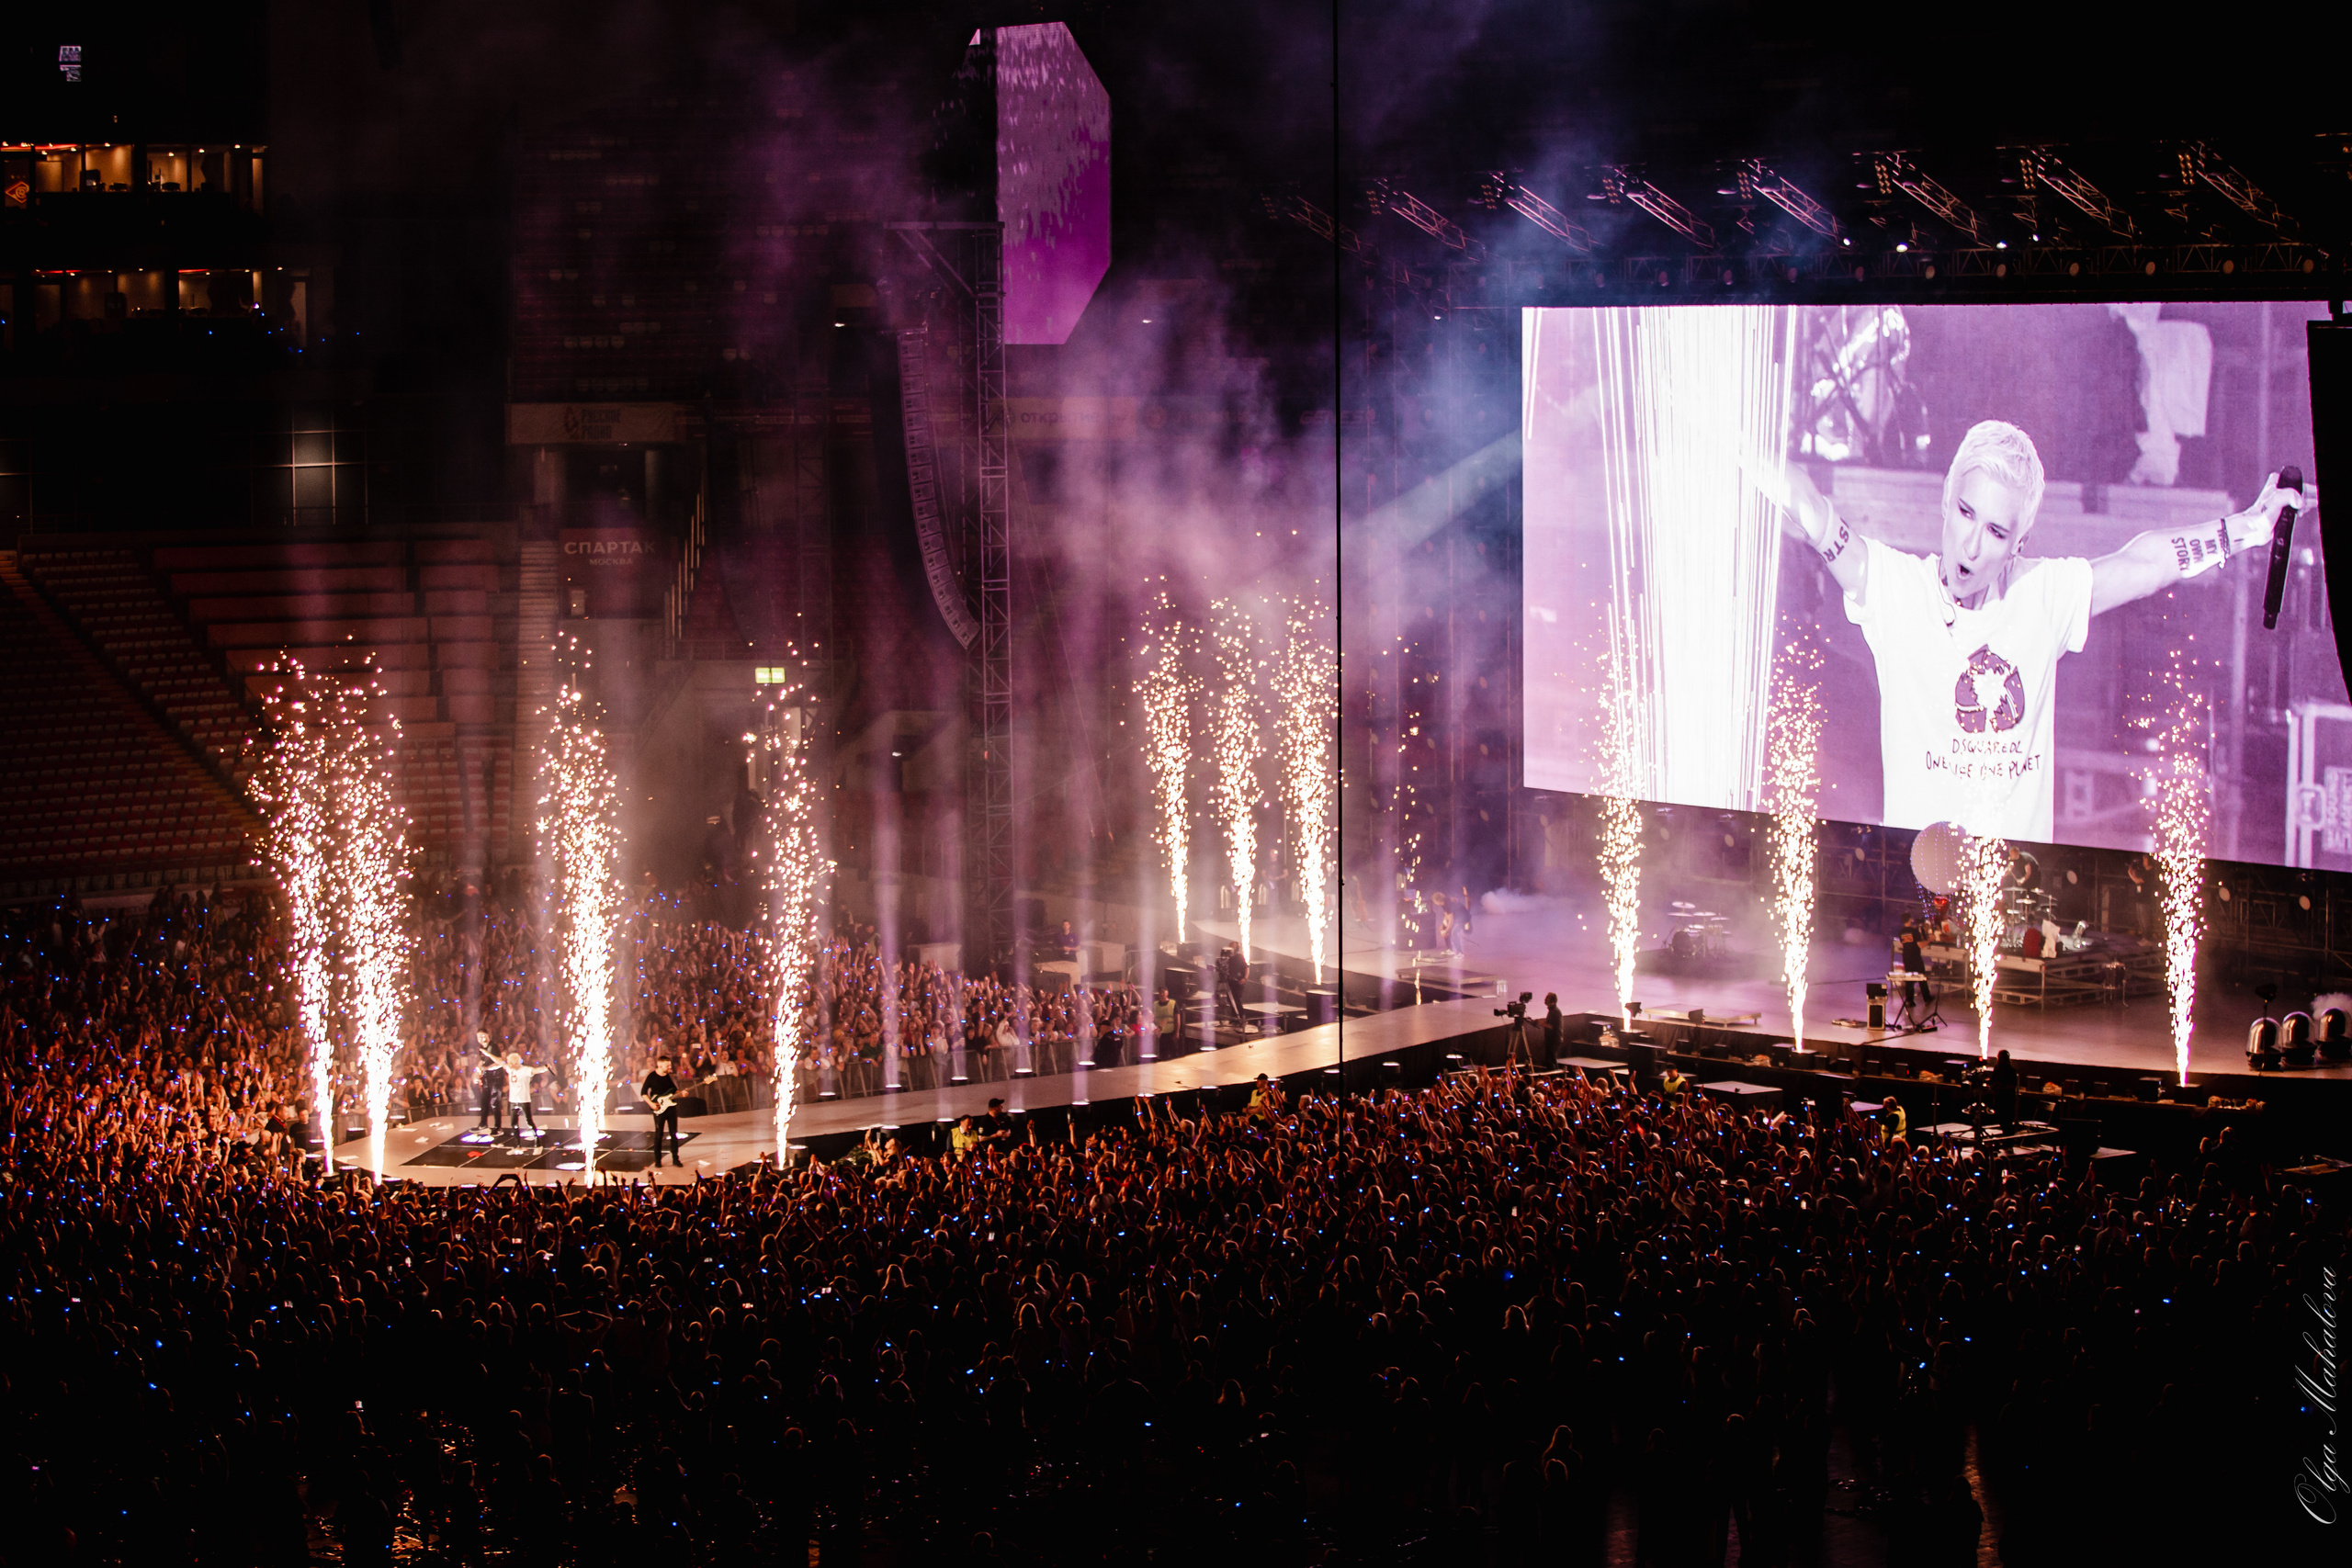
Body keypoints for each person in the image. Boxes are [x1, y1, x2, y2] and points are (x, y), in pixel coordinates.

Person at [1774, 422, 2303, 840]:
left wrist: (2249, 527)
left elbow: (2144, 563)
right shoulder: (1896, 590)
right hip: (1918, 897)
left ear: (2018, 544)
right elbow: (1814, 513)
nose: (1973, 546)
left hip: (2014, 906)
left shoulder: (2043, 595)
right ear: (1945, 504)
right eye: (1965, 513)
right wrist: (1741, 445)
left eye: (1997, 531)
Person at [642, 1053, 683, 1168]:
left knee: (673, 1134)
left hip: (671, 1108)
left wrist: (681, 1094)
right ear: (660, 1065)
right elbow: (643, 1093)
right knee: (658, 1134)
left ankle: (675, 1158)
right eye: (668, 1066)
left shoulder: (668, 1077)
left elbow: (674, 1091)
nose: (670, 1068)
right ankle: (658, 1160)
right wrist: (651, 1104)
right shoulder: (652, 1077)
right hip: (659, 1108)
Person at [503, 1048, 549, 1137]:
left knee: (529, 1122)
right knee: (514, 1124)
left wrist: (544, 1068)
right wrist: (488, 1054)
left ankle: (537, 1141)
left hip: (523, 1100)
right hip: (513, 1100)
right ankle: (517, 1146)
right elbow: (501, 1063)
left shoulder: (525, 1070)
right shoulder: (510, 1069)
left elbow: (535, 1070)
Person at [475, 1031, 506, 1130]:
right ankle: (483, 1124)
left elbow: (499, 1061)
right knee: (484, 1100)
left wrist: (487, 1055)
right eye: (478, 1037)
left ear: (488, 1035)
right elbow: (482, 1061)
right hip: (487, 1076)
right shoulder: (481, 1049)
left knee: (495, 1101)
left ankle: (498, 1126)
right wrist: (479, 1067)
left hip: (496, 1075)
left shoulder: (493, 1046)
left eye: (482, 1036)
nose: (481, 1038)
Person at [1992, 1048, 2018, 1129]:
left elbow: (2012, 1085)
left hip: (2006, 1098)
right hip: (2002, 1098)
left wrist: (2000, 1087)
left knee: (2006, 1121)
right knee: (2004, 1120)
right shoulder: (2001, 1068)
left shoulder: (2008, 1070)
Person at [1543, 993, 1565, 1067]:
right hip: (1550, 1039)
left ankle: (1556, 1074)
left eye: (1547, 998)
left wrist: (1543, 1024)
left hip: (1554, 1040)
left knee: (1552, 1059)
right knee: (1549, 1059)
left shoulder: (1556, 1012)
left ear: (1552, 1001)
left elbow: (1555, 1027)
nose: (1545, 1000)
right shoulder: (1552, 1011)